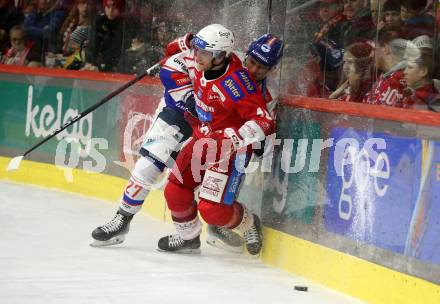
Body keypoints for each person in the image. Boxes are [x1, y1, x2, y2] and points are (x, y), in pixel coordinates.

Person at [157, 24, 274, 255]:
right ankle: (189, 238)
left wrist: (234, 137)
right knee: (174, 191)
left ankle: (250, 223)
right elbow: (169, 55)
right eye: (196, 49)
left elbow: (264, 121)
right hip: (203, 138)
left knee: (212, 210)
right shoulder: (201, 59)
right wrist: (185, 40)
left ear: (221, 56)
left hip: (229, 151)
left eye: (204, 52)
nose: (197, 56)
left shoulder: (237, 84)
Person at [206, 33, 284, 253]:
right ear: (245, 55)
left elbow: (266, 129)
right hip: (209, 132)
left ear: (272, 70)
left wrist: (263, 162)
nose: (253, 70)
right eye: (251, 62)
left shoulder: (269, 94)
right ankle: (206, 225)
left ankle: (241, 223)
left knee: (225, 190)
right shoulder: (228, 61)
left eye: (261, 67)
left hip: (238, 143)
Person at [363, 27, 408, 107]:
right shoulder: (384, 77)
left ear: (385, 48)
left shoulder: (404, 80)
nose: (371, 55)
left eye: (373, 49)